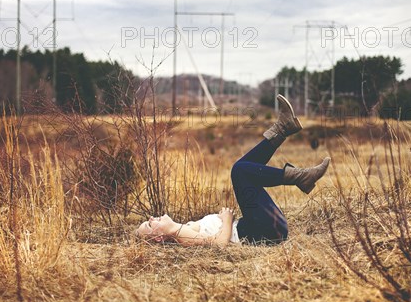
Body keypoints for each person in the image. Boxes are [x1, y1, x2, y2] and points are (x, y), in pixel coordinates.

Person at [135, 95, 330, 246]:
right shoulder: (179, 235)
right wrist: (227, 219)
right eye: (150, 224)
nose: (151, 218)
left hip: (264, 227)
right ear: (159, 237)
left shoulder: (180, 230)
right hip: (265, 232)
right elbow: (219, 245)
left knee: (242, 168)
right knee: (239, 171)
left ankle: (283, 129)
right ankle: (299, 174)